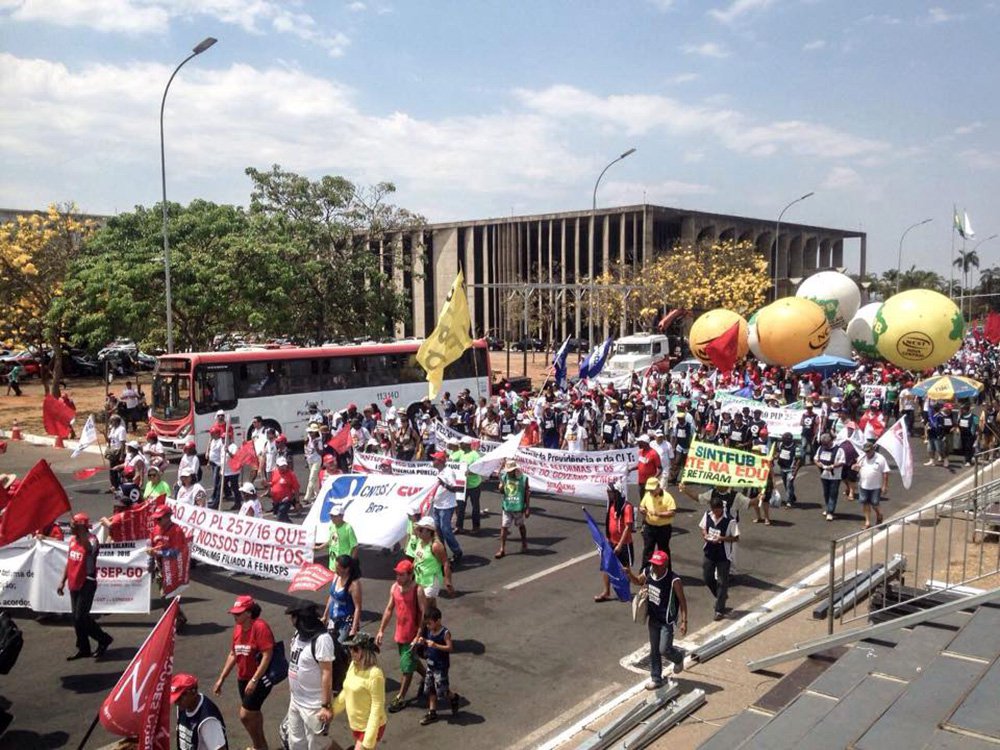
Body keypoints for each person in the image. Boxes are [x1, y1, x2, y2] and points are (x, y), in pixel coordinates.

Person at [213, 595, 274, 750]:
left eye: (238, 613)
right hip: (243, 678)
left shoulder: (260, 627)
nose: (235, 616)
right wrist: (222, 678)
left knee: (245, 715)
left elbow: (267, 655)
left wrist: (254, 680)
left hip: (260, 678)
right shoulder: (238, 629)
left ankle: (258, 746)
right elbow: (233, 654)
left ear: (248, 612)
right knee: (253, 714)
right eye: (234, 613)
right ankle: (260, 746)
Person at [625, 549, 687, 689]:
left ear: (665, 564)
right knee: (654, 650)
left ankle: (678, 658)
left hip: (666, 621)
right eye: (653, 563)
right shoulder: (648, 572)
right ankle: (656, 678)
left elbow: (682, 601)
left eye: (658, 564)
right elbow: (637, 581)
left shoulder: (674, 580)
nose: (655, 567)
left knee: (664, 649)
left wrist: (684, 621)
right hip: (653, 619)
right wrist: (629, 574)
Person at [284, 599, 339, 750]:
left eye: (293, 617)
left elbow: (327, 673)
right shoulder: (298, 635)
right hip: (296, 700)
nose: (291, 620)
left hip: (314, 705)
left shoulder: (322, 640)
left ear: (301, 619)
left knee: (319, 745)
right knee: (295, 743)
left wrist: (326, 706)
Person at [57, 513, 113, 660]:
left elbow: (88, 550)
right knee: (76, 619)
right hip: (73, 583)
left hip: (86, 583)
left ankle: (103, 639)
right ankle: (83, 648)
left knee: (80, 616)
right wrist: (62, 581)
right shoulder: (72, 540)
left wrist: (82, 531)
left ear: (81, 526)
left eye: (73, 525)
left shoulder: (92, 540)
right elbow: (69, 562)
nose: (71, 527)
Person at [375, 559, 425, 713]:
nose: (398, 578)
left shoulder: (417, 590)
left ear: (410, 575)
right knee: (410, 661)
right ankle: (429, 676)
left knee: (406, 667)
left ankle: (401, 697)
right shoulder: (394, 588)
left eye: (401, 575)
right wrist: (381, 630)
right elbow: (389, 609)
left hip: (412, 635)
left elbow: (424, 614)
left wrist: (418, 635)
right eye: (397, 574)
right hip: (400, 633)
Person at [332, 632, 388, 748]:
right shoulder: (353, 665)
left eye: (355, 649)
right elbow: (346, 692)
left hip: (370, 727)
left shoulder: (375, 674)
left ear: (365, 651)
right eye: (350, 648)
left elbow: (377, 707)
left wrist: (369, 739)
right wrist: (332, 711)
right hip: (357, 725)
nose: (351, 652)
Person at [415, 606, 460, 726]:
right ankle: (432, 712)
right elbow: (426, 641)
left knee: (442, 691)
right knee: (430, 688)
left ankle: (453, 697)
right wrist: (422, 642)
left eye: (430, 624)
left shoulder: (445, 633)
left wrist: (436, 645)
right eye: (427, 624)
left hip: (441, 666)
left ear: (438, 621)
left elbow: (450, 648)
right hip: (431, 664)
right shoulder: (430, 631)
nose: (428, 627)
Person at [699, 496, 739, 621]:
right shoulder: (707, 515)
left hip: (723, 555)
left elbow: (736, 537)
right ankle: (721, 596)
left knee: (722, 581)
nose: (716, 513)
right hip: (709, 552)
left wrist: (722, 539)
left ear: (722, 508)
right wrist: (705, 535)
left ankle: (719, 609)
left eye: (718, 511)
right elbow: (702, 527)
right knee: (707, 577)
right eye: (714, 511)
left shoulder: (730, 521)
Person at [595, 480, 634, 602]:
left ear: (617, 493)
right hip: (611, 542)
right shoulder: (611, 506)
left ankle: (626, 592)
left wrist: (620, 545)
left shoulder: (627, 507)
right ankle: (606, 592)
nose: (608, 495)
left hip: (624, 544)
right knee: (606, 567)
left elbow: (628, 527)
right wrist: (607, 539)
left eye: (610, 492)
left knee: (625, 568)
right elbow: (609, 522)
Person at [171, 673, 229, 750]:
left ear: (193, 693)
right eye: (175, 699)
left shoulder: (208, 720)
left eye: (179, 698)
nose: (176, 703)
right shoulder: (183, 706)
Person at [412, 516, 453, 611]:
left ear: (429, 531)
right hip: (420, 579)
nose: (418, 531)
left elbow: (445, 563)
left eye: (421, 529)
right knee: (431, 606)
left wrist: (448, 581)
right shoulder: (419, 542)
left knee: (424, 607)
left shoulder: (435, 546)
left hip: (432, 580)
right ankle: (436, 623)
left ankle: (422, 626)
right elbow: (417, 559)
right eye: (418, 529)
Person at [429, 452, 463, 564]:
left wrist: (443, 483)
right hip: (437, 505)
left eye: (435, 459)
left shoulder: (449, 472)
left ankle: (457, 551)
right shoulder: (437, 472)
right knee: (438, 531)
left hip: (446, 506)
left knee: (446, 530)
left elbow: (454, 488)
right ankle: (442, 553)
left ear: (441, 461)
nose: (432, 461)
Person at [495, 459, 530, 559]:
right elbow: (502, 492)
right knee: (504, 527)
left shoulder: (523, 479)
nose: (509, 473)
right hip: (507, 506)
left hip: (518, 507)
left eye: (510, 471)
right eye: (508, 471)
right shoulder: (504, 477)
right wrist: (501, 487)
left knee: (521, 526)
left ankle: (524, 543)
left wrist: (527, 508)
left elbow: (527, 493)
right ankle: (502, 549)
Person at [324, 555, 363, 644]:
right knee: (330, 646)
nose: (335, 569)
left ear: (346, 569)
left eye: (338, 568)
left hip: (345, 624)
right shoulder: (336, 577)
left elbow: (358, 607)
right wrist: (325, 615)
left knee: (341, 648)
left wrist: (353, 629)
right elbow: (332, 597)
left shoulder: (354, 584)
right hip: (333, 621)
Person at [637, 477, 675, 567]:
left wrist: (659, 514)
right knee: (647, 550)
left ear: (658, 487)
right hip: (649, 526)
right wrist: (642, 510)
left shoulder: (667, 497)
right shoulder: (647, 495)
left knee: (663, 551)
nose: (651, 492)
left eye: (652, 490)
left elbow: (672, 512)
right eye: (649, 490)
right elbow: (642, 506)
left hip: (663, 528)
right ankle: (645, 572)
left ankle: (666, 571)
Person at [854, 439, 889, 529]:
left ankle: (879, 514)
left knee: (875, 503)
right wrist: (855, 467)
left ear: (873, 449)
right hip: (863, 485)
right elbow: (856, 469)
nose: (867, 453)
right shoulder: (861, 457)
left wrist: (884, 485)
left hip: (876, 486)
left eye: (869, 451)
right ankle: (867, 522)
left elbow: (885, 472)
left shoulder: (880, 458)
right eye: (865, 451)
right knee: (865, 503)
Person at [316, 504, 358, 572]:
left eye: (335, 516)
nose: (332, 518)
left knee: (344, 582)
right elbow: (331, 541)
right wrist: (320, 547)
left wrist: (351, 563)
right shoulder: (332, 526)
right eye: (331, 516)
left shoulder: (348, 528)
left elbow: (355, 546)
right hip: (333, 563)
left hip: (343, 565)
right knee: (335, 581)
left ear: (342, 516)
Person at [814, 433, 846, 521]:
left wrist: (832, 466)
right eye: (824, 444)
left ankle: (830, 512)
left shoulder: (839, 450)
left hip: (835, 476)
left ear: (831, 441)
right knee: (826, 493)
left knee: (833, 494)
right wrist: (819, 464)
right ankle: (828, 508)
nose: (825, 446)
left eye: (827, 444)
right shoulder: (821, 448)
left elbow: (842, 462)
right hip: (824, 475)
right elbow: (816, 459)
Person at [455, 436, 483, 534]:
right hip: (463, 485)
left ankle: (476, 527)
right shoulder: (461, 454)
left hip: (474, 485)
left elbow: (480, 469)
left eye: (461, 443)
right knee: (460, 506)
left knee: (475, 507)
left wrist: (469, 472)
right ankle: (459, 526)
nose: (460, 445)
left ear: (466, 444)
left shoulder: (475, 455)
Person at [269, 456, 300, 523]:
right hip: (276, 500)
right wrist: (267, 486)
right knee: (283, 517)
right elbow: (273, 483)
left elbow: (296, 488)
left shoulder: (291, 474)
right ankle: (292, 527)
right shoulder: (274, 472)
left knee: (280, 516)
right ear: (277, 466)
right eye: (281, 466)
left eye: (284, 466)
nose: (283, 468)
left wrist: (297, 502)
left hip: (286, 500)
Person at [774, 432, 799, 507]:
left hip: (790, 469)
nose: (782, 439)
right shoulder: (781, 445)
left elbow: (798, 460)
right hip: (782, 468)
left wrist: (795, 470)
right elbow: (778, 453)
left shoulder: (795, 447)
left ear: (788, 440)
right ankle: (792, 496)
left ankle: (789, 501)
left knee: (789, 485)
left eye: (784, 438)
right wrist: (775, 456)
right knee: (786, 485)